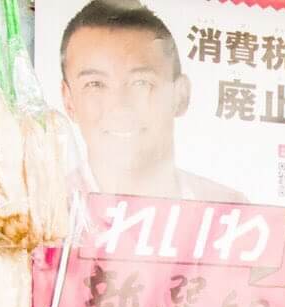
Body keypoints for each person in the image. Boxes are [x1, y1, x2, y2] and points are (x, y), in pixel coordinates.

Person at [59, 0, 247, 202]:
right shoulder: (43, 217)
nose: (120, 107)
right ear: (68, 100)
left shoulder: (230, 211)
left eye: (141, 83)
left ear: (180, 95)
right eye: (95, 84)